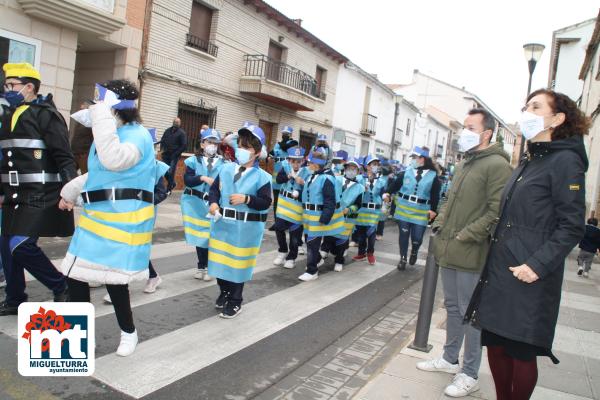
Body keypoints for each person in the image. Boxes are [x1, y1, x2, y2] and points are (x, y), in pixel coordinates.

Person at [465, 89, 589, 400]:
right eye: (525, 106)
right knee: (495, 343)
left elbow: (572, 225)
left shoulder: (566, 162)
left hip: (529, 273)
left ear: (557, 118)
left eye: (535, 107)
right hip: (502, 269)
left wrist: (536, 265)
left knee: (520, 350)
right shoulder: (529, 160)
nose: (526, 112)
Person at [416, 109, 512, 397]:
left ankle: (469, 373)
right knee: (454, 308)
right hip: (450, 247)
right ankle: (449, 358)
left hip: (471, 251)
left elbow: (497, 212)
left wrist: (465, 235)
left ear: (486, 133)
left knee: (472, 314)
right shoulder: (465, 162)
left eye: (470, 127)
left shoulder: (496, 165)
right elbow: (447, 198)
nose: (463, 132)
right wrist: (442, 225)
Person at [59, 79, 157, 356]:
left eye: (100, 100)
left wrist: (101, 116)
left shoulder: (137, 136)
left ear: (113, 106)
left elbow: (114, 160)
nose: (94, 105)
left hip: (121, 222)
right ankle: (80, 336)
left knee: (115, 282)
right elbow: (98, 174)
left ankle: (129, 333)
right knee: (76, 277)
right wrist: (70, 192)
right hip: (94, 221)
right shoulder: (111, 133)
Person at [0, 63, 76, 315]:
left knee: (19, 244)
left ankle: (60, 285)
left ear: (29, 87)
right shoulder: (9, 114)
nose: (7, 88)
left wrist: (70, 190)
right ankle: (14, 299)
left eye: (12, 85)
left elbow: (64, 155)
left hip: (41, 192)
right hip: (14, 194)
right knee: (6, 246)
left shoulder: (47, 114)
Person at [207, 124, 272, 318]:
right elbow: (214, 191)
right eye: (241, 146)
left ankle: (235, 300)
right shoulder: (225, 169)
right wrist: (212, 203)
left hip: (245, 229)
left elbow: (265, 203)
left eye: (248, 148)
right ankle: (224, 292)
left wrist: (247, 199)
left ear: (257, 152)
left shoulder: (263, 177)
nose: (242, 151)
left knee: (237, 266)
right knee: (219, 263)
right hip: (222, 225)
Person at [181, 128, 226, 281]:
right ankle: (201, 266)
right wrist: (202, 178)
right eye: (209, 142)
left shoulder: (224, 163)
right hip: (195, 204)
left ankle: (209, 267)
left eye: (215, 143)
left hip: (212, 204)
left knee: (209, 237)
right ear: (202, 144)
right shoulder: (193, 161)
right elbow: (188, 180)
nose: (212, 145)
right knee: (200, 237)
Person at [387, 147, 440, 270]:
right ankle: (403, 258)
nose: (413, 160)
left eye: (415, 158)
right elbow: (395, 185)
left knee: (417, 237)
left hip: (422, 210)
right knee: (404, 234)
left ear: (422, 159)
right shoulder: (406, 172)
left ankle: (414, 251)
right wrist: (388, 193)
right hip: (404, 207)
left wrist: (433, 210)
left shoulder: (433, 176)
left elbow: (435, 194)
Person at [299, 148, 344, 281]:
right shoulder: (313, 175)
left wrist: (325, 218)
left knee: (312, 244)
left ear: (316, 164)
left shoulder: (326, 179)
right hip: (309, 216)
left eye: (310, 163)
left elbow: (330, 200)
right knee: (309, 242)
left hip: (318, 217)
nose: (308, 165)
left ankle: (312, 271)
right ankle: (317, 260)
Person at [272, 146, 310, 269]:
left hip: (297, 208)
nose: (296, 164)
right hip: (283, 206)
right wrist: (287, 176)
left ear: (303, 161)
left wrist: (302, 184)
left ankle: (291, 258)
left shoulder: (307, 173)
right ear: (289, 160)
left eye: (298, 161)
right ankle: (282, 251)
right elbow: (278, 180)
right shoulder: (285, 168)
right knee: (278, 229)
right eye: (293, 161)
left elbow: (310, 191)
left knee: (295, 235)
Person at [325, 158, 364, 272]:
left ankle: (339, 261)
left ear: (357, 172)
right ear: (345, 169)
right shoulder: (336, 180)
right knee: (329, 236)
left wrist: (350, 209)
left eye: (354, 169)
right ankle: (326, 253)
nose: (351, 171)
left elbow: (358, 204)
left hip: (347, 218)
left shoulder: (360, 188)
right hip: (333, 215)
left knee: (342, 240)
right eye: (349, 169)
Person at [352, 155, 386, 265]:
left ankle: (370, 253)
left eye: (377, 164)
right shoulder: (359, 178)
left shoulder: (381, 180)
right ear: (367, 167)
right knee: (361, 234)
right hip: (362, 210)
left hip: (374, 211)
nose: (376, 166)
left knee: (371, 233)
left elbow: (384, 193)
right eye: (373, 164)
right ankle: (361, 253)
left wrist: (386, 199)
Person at [269, 125, 295, 215]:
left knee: (284, 199)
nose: (284, 135)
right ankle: (276, 221)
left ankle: (283, 219)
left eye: (286, 134)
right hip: (276, 175)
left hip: (286, 174)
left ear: (290, 135)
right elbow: (272, 153)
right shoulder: (278, 144)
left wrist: (280, 143)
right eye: (283, 133)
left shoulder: (293, 142)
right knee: (276, 199)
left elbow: (285, 147)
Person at [160, 117, 187, 192]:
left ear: (180, 123)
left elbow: (184, 145)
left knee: (171, 171)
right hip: (166, 154)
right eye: (175, 122)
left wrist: (176, 153)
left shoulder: (182, 133)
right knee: (164, 170)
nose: (176, 123)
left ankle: (169, 189)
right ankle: (172, 183)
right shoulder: (167, 131)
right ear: (173, 122)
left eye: (178, 122)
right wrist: (162, 149)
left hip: (174, 156)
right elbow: (163, 140)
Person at [70, 101, 94, 174]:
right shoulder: (81, 119)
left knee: (85, 174)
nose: (81, 106)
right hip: (75, 152)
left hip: (83, 153)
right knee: (71, 173)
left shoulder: (90, 120)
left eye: (83, 104)